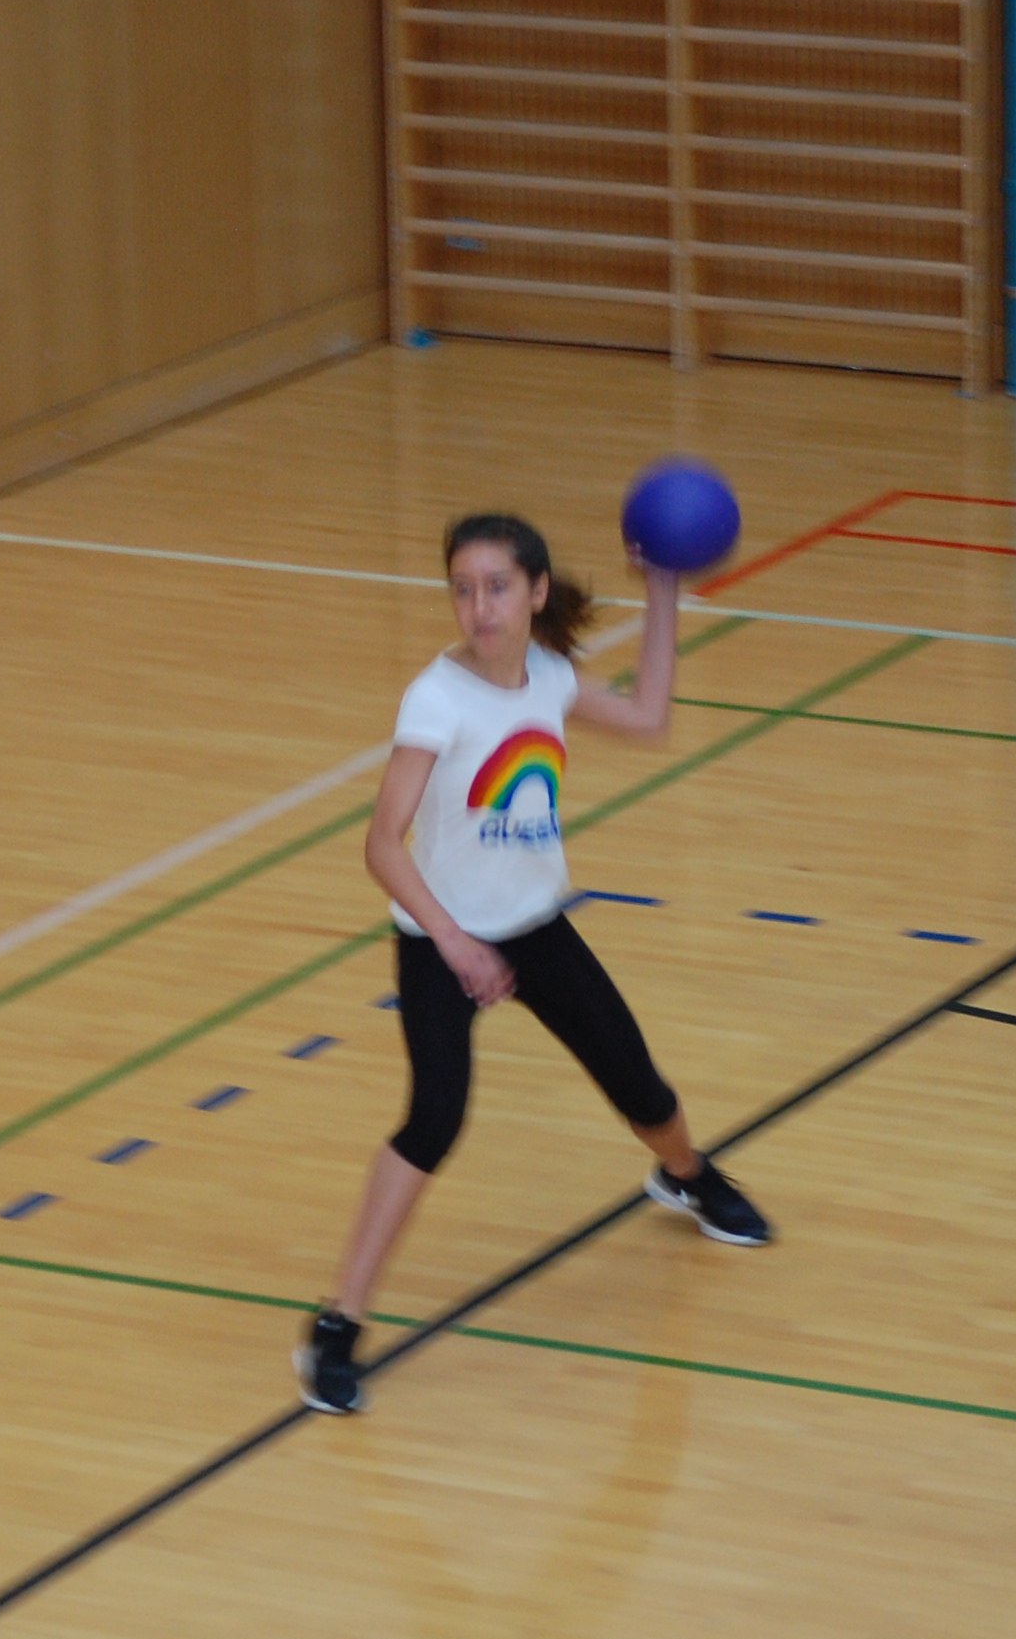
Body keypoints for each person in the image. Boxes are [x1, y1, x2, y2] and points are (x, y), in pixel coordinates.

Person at [295, 513, 772, 1415]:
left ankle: (686, 1177)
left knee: (640, 1086)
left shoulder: (547, 677)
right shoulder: (435, 699)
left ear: (536, 592)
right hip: (439, 937)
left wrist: (663, 589)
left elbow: (649, 719)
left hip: (536, 926)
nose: (480, 607)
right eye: (464, 589)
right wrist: (456, 943)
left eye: (498, 587)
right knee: (434, 1118)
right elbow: (382, 845)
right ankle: (337, 1324)